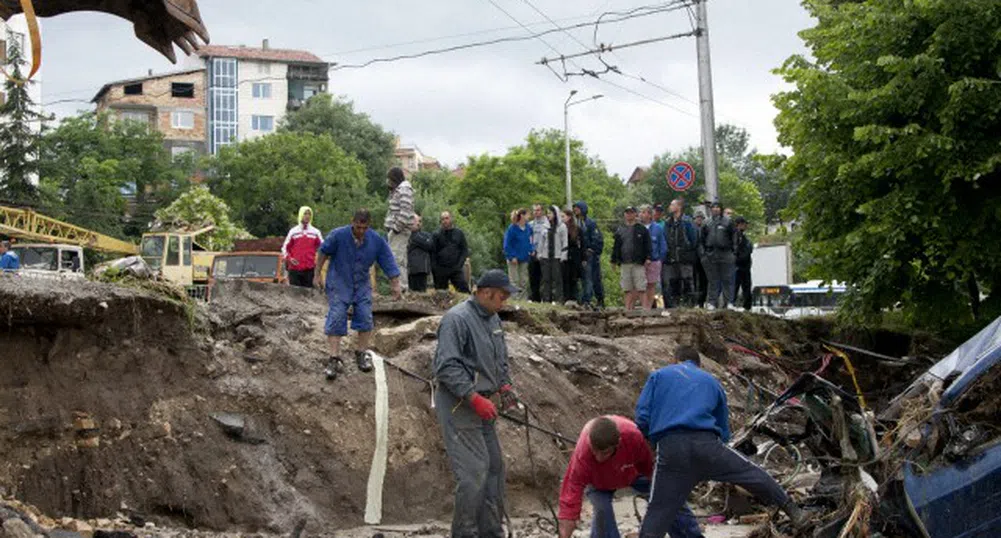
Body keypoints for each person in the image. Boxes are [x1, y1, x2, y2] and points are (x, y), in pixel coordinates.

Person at [635, 345, 805, 537]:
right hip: (707, 445)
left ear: (676, 360)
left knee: (658, 509)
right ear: (698, 364)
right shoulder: (712, 382)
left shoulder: (659, 376)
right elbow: (724, 430)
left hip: (672, 449)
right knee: (751, 473)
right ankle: (795, 512)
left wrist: (655, 442)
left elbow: (642, 417)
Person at [433, 269, 520, 538]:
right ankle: (465, 533)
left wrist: (504, 386)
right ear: (484, 292)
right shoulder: (456, 320)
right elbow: (446, 366)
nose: (504, 301)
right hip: (460, 405)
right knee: (473, 473)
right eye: (501, 296)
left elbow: (499, 358)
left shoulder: (493, 319)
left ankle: (491, 532)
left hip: (484, 404)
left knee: (494, 468)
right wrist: (473, 396)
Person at [557, 416, 705, 538]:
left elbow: (651, 469)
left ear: (618, 444)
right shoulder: (583, 455)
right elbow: (569, 501)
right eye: (595, 452)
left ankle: (690, 535)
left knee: (669, 496)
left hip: (631, 470)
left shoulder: (633, 437)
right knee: (602, 511)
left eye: (605, 453)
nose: (599, 457)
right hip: (598, 480)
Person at [313, 209, 402, 380]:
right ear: (352, 222)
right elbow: (323, 252)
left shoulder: (375, 240)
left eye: (364, 228)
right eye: (358, 227)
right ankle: (333, 357)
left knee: (365, 315)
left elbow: (388, 260)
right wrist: (317, 275)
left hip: (361, 283)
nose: (360, 231)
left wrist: (395, 284)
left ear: (369, 226)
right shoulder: (338, 235)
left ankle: (361, 353)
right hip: (339, 280)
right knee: (337, 314)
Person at [611, 206, 653, 311]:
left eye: (631, 213)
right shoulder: (620, 229)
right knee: (627, 288)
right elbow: (616, 246)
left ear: (635, 214)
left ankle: (645, 309)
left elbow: (648, 244)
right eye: (627, 213)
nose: (629, 215)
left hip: (638, 262)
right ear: (625, 214)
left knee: (641, 287)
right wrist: (613, 260)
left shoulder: (642, 229)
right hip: (624, 262)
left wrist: (648, 257)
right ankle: (628, 309)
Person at [700, 202, 738, 309]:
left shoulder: (728, 222)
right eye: (713, 207)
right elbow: (701, 239)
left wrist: (734, 252)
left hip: (726, 253)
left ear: (721, 209)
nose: (715, 209)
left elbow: (734, 237)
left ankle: (729, 302)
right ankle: (712, 302)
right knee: (713, 279)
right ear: (711, 209)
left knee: (728, 278)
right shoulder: (706, 223)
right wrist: (703, 254)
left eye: (718, 207)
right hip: (711, 253)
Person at [384, 167, 416, 292]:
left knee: (396, 259)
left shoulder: (404, 189)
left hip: (399, 230)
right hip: (397, 229)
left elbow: (405, 211)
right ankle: (401, 287)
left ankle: (401, 288)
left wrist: (397, 227)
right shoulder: (399, 190)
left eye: (389, 179)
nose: (388, 181)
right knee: (398, 258)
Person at [662, 199, 698, 308]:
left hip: (685, 257)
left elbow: (694, 239)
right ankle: (675, 305)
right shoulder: (668, 222)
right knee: (673, 282)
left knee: (687, 280)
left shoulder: (687, 221)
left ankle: (689, 305)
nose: (670, 206)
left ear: (679, 207)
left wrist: (687, 250)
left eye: (672, 204)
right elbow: (665, 238)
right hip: (671, 257)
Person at [281, 206, 324, 288]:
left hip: (309, 269)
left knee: (308, 296)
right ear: (300, 215)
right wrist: (290, 258)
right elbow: (284, 248)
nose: (307, 216)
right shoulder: (293, 231)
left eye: (309, 214)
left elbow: (324, 247)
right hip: (294, 269)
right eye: (305, 214)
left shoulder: (315, 232)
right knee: (294, 296)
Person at [574, 201, 605, 309]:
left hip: (590, 255)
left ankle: (593, 299)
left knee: (593, 278)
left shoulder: (590, 223)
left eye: (577, 208)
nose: (575, 210)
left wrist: (592, 249)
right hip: (579, 254)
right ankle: (584, 299)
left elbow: (597, 238)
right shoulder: (575, 223)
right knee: (583, 278)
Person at [432, 211, 471, 293]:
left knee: (464, 291)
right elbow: (432, 253)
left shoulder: (459, 233)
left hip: (455, 269)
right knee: (440, 294)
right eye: (442, 219)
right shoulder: (436, 234)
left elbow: (464, 250)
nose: (445, 221)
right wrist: (435, 269)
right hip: (441, 270)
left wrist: (459, 265)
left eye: (446, 218)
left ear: (451, 219)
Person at [538, 205, 568, 303]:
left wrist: (564, 255)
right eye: (547, 213)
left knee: (557, 279)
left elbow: (565, 241)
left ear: (555, 214)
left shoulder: (562, 226)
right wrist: (539, 254)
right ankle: (546, 299)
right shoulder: (544, 226)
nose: (548, 215)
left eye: (550, 213)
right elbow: (541, 242)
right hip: (546, 256)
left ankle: (558, 299)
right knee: (546, 279)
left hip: (557, 256)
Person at [639, 205, 666, 309]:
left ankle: (648, 308)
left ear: (650, 214)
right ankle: (643, 306)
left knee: (651, 285)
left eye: (644, 212)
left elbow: (662, 246)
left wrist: (659, 259)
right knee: (640, 286)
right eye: (641, 212)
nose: (641, 214)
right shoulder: (637, 227)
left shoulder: (658, 228)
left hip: (654, 261)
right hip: (640, 262)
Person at [503, 209, 533, 300]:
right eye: (528, 214)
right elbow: (507, 244)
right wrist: (512, 256)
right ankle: (514, 298)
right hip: (514, 258)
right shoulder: (512, 228)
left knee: (524, 280)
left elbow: (531, 240)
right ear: (522, 216)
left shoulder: (528, 228)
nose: (529, 216)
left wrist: (532, 249)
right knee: (514, 280)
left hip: (524, 257)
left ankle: (523, 299)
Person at [408, 214, 434, 293]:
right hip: (414, 269)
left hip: (422, 269)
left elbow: (432, 244)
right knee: (414, 293)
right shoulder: (412, 235)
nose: (418, 223)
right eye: (416, 221)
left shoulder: (424, 234)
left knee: (421, 294)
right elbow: (429, 244)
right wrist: (427, 241)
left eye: (419, 221)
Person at [528, 204, 549, 302]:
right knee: (533, 277)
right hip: (533, 252)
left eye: (538, 210)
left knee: (545, 277)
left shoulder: (547, 223)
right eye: (534, 210)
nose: (536, 212)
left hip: (544, 253)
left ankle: (546, 298)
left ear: (542, 211)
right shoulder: (530, 224)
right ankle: (535, 298)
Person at [562, 208, 583, 305]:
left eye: (564, 216)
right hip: (564, 255)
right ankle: (566, 297)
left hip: (574, 256)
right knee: (565, 277)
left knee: (574, 278)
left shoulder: (577, 229)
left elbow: (582, 244)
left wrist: (583, 257)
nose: (562, 218)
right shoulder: (561, 228)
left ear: (569, 217)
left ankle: (574, 298)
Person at [734, 216, 754, 311]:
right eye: (743, 224)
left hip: (745, 267)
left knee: (746, 288)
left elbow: (748, 249)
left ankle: (747, 307)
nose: (745, 226)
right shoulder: (734, 237)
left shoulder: (745, 238)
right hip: (737, 266)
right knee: (735, 287)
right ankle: (731, 304)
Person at [692, 213, 708, 308]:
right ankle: (694, 301)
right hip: (693, 258)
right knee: (693, 280)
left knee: (704, 281)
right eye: (697, 218)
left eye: (701, 218)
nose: (699, 220)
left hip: (704, 258)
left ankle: (702, 301)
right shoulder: (691, 229)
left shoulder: (705, 229)